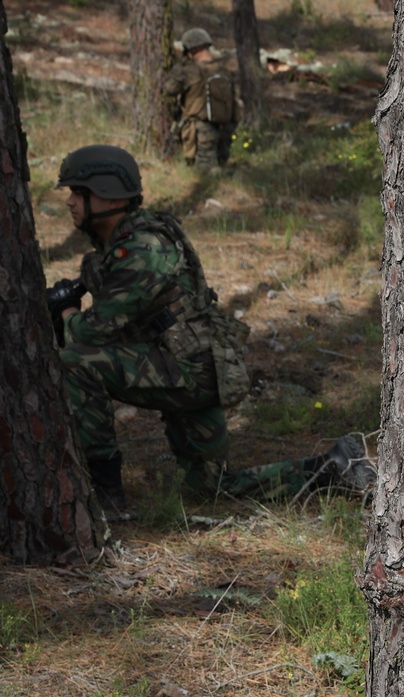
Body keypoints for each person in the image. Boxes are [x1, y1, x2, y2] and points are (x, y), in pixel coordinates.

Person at [49, 145, 373, 519]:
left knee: (76, 361)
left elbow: (91, 334)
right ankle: (332, 468)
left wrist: (65, 310)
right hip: (192, 365)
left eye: (77, 192)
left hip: (189, 373)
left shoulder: (143, 249)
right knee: (210, 488)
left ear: (107, 196)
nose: (69, 202)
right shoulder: (128, 242)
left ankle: (107, 496)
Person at [165, 28, 240, 171]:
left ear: (191, 49)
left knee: (204, 171)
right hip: (226, 126)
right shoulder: (223, 69)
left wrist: (176, 69)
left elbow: (169, 90)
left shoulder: (188, 70)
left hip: (201, 128)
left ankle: (224, 186)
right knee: (221, 161)